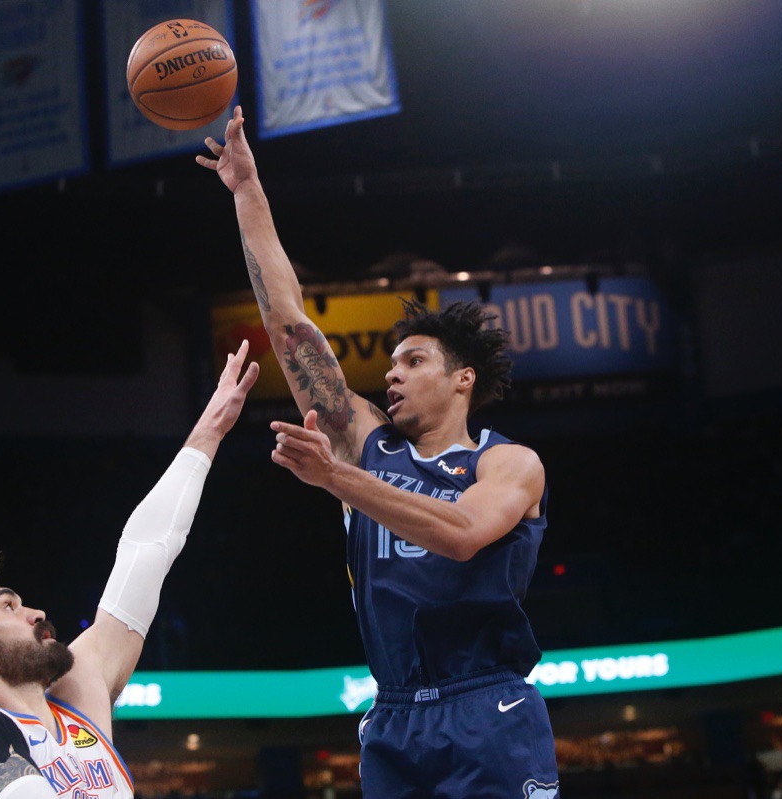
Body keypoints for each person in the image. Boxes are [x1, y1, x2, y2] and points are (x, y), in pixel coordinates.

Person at [198, 107, 560, 798]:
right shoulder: (368, 440)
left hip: (486, 703)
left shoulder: (507, 462)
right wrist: (247, 193)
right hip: (392, 714)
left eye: (413, 359)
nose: (390, 374)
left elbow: (460, 535)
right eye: (389, 363)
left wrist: (337, 478)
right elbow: (288, 320)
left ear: (462, 378)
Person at [0, 342, 260, 799]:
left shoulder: (77, 701)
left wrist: (209, 433)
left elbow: (145, 553)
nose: (36, 612)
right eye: (8, 605)